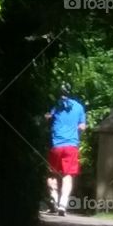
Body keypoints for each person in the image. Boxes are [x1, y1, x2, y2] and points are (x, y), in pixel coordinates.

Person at [45, 83, 87, 216]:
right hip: (71, 146)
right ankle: (63, 204)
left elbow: (47, 118)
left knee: (52, 174)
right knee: (67, 175)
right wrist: (76, 135)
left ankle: (54, 200)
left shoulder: (56, 106)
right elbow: (82, 127)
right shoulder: (79, 107)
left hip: (56, 145)